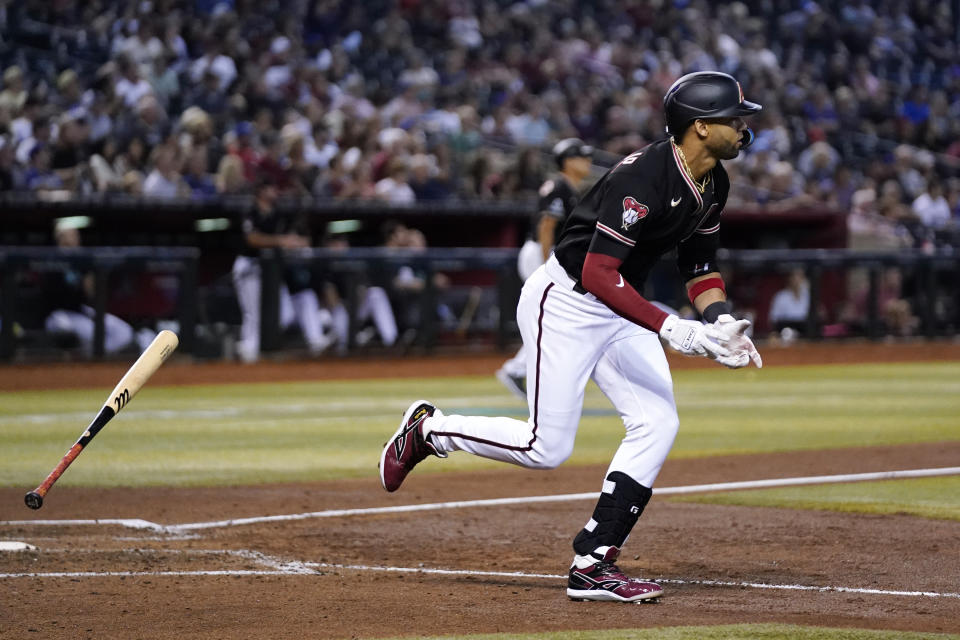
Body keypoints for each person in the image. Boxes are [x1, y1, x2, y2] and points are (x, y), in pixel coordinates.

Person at [379, 71, 763, 603]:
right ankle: (430, 431)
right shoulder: (644, 178)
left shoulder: (713, 180)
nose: (744, 129)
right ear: (700, 127)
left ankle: (593, 562)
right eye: (735, 120)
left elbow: (699, 264)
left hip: (619, 305)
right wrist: (672, 327)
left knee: (657, 421)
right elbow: (599, 274)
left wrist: (721, 321)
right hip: (566, 303)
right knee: (546, 448)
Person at [496, 137, 594, 399]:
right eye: (581, 156)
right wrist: (545, 264)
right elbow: (547, 225)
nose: (588, 161)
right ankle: (517, 369)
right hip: (540, 251)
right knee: (549, 317)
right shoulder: (558, 185)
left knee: (553, 318)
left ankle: (522, 369)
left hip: (547, 253)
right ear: (567, 161)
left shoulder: (570, 188)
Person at [232, 179, 334, 363]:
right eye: (271, 187)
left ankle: (252, 347)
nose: (275, 192)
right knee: (253, 311)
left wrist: (295, 242)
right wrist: (282, 241)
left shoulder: (277, 212)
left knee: (284, 314)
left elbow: (291, 235)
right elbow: (253, 239)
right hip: (249, 266)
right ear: (260, 190)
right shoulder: (251, 210)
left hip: (270, 269)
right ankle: (248, 349)